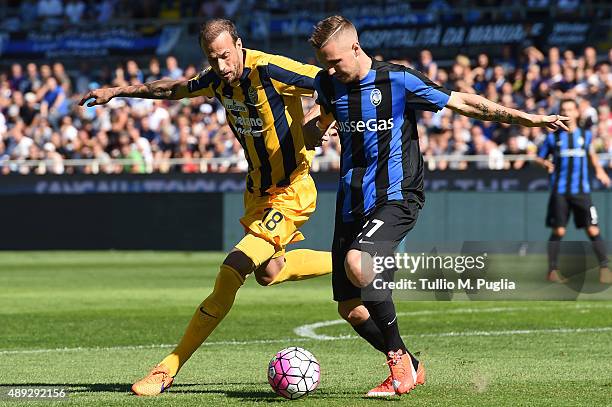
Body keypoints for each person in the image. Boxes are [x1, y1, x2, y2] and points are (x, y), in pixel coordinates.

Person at [306, 15, 572, 397]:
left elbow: (464, 102)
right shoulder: (327, 83)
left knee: (357, 262)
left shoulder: (397, 80)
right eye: (324, 64)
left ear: (356, 47)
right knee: (351, 309)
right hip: (350, 200)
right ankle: (412, 365)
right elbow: (314, 120)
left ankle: (398, 365)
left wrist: (527, 119)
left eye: (335, 61)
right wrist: (315, 128)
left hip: (396, 196)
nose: (330, 70)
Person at [80, 18, 332, 396]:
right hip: (258, 194)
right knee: (269, 271)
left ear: (240, 45)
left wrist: (320, 120)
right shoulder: (217, 80)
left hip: (292, 190)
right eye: (213, 60)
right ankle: (352, 260)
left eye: (226, 57)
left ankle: (168, 368)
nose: (221, 67)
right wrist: (118, 90)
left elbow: (332, 81)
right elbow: (173, 88)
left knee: (233, 268)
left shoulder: (269, 68)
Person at [536, 98, 612, 284]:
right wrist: (545, 163)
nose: (568, 112)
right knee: (559, 231)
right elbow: (538, 158)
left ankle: (604, 269)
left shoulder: (585, 136)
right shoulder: (552, 137)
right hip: (560, 192)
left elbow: (591, 155)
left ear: (577, 112)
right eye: (564, 109)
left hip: (581, 192)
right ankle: (552, 271)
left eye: (571, 109)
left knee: (593, 229)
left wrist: (600, 170)